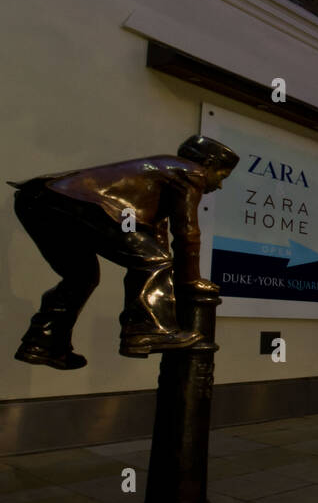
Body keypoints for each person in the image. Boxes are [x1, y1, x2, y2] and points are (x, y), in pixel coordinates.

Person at [9, 136, 239, 368]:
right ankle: (147, 329)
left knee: (82, 277)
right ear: (208, 163)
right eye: (222, 177)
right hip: (73, 203)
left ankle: (43, 343)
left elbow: (157, 235)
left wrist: (174, 274)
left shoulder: (160, 176)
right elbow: (187, 232)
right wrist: (190, 280)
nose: (219, 185)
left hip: (38, 201)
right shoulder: (191, 172)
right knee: (153, 261)